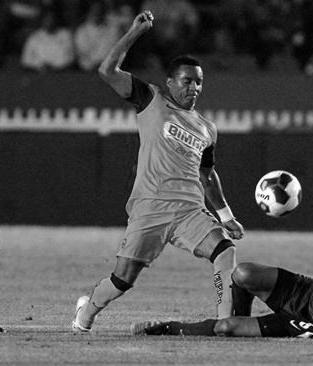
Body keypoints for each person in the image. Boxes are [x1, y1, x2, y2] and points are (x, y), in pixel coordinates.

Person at [72, 10, 244, 332]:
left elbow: (207, 174)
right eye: (187, 81)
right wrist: (134, 33)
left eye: (199, 82)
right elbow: (107, 70)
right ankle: (87, 311)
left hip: (189, 211)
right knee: (123, 279)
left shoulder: (207, 129)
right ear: (170, 82)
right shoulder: (151, 99)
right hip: (150, 207)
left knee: (224, 250)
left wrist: (226, 215)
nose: (194, 87)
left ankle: (226, 323)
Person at [130, 189, 313, 344]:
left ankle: (166, 328)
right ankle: (238, 323)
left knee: (225, 326)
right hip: (310, 293)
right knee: (242, 273)